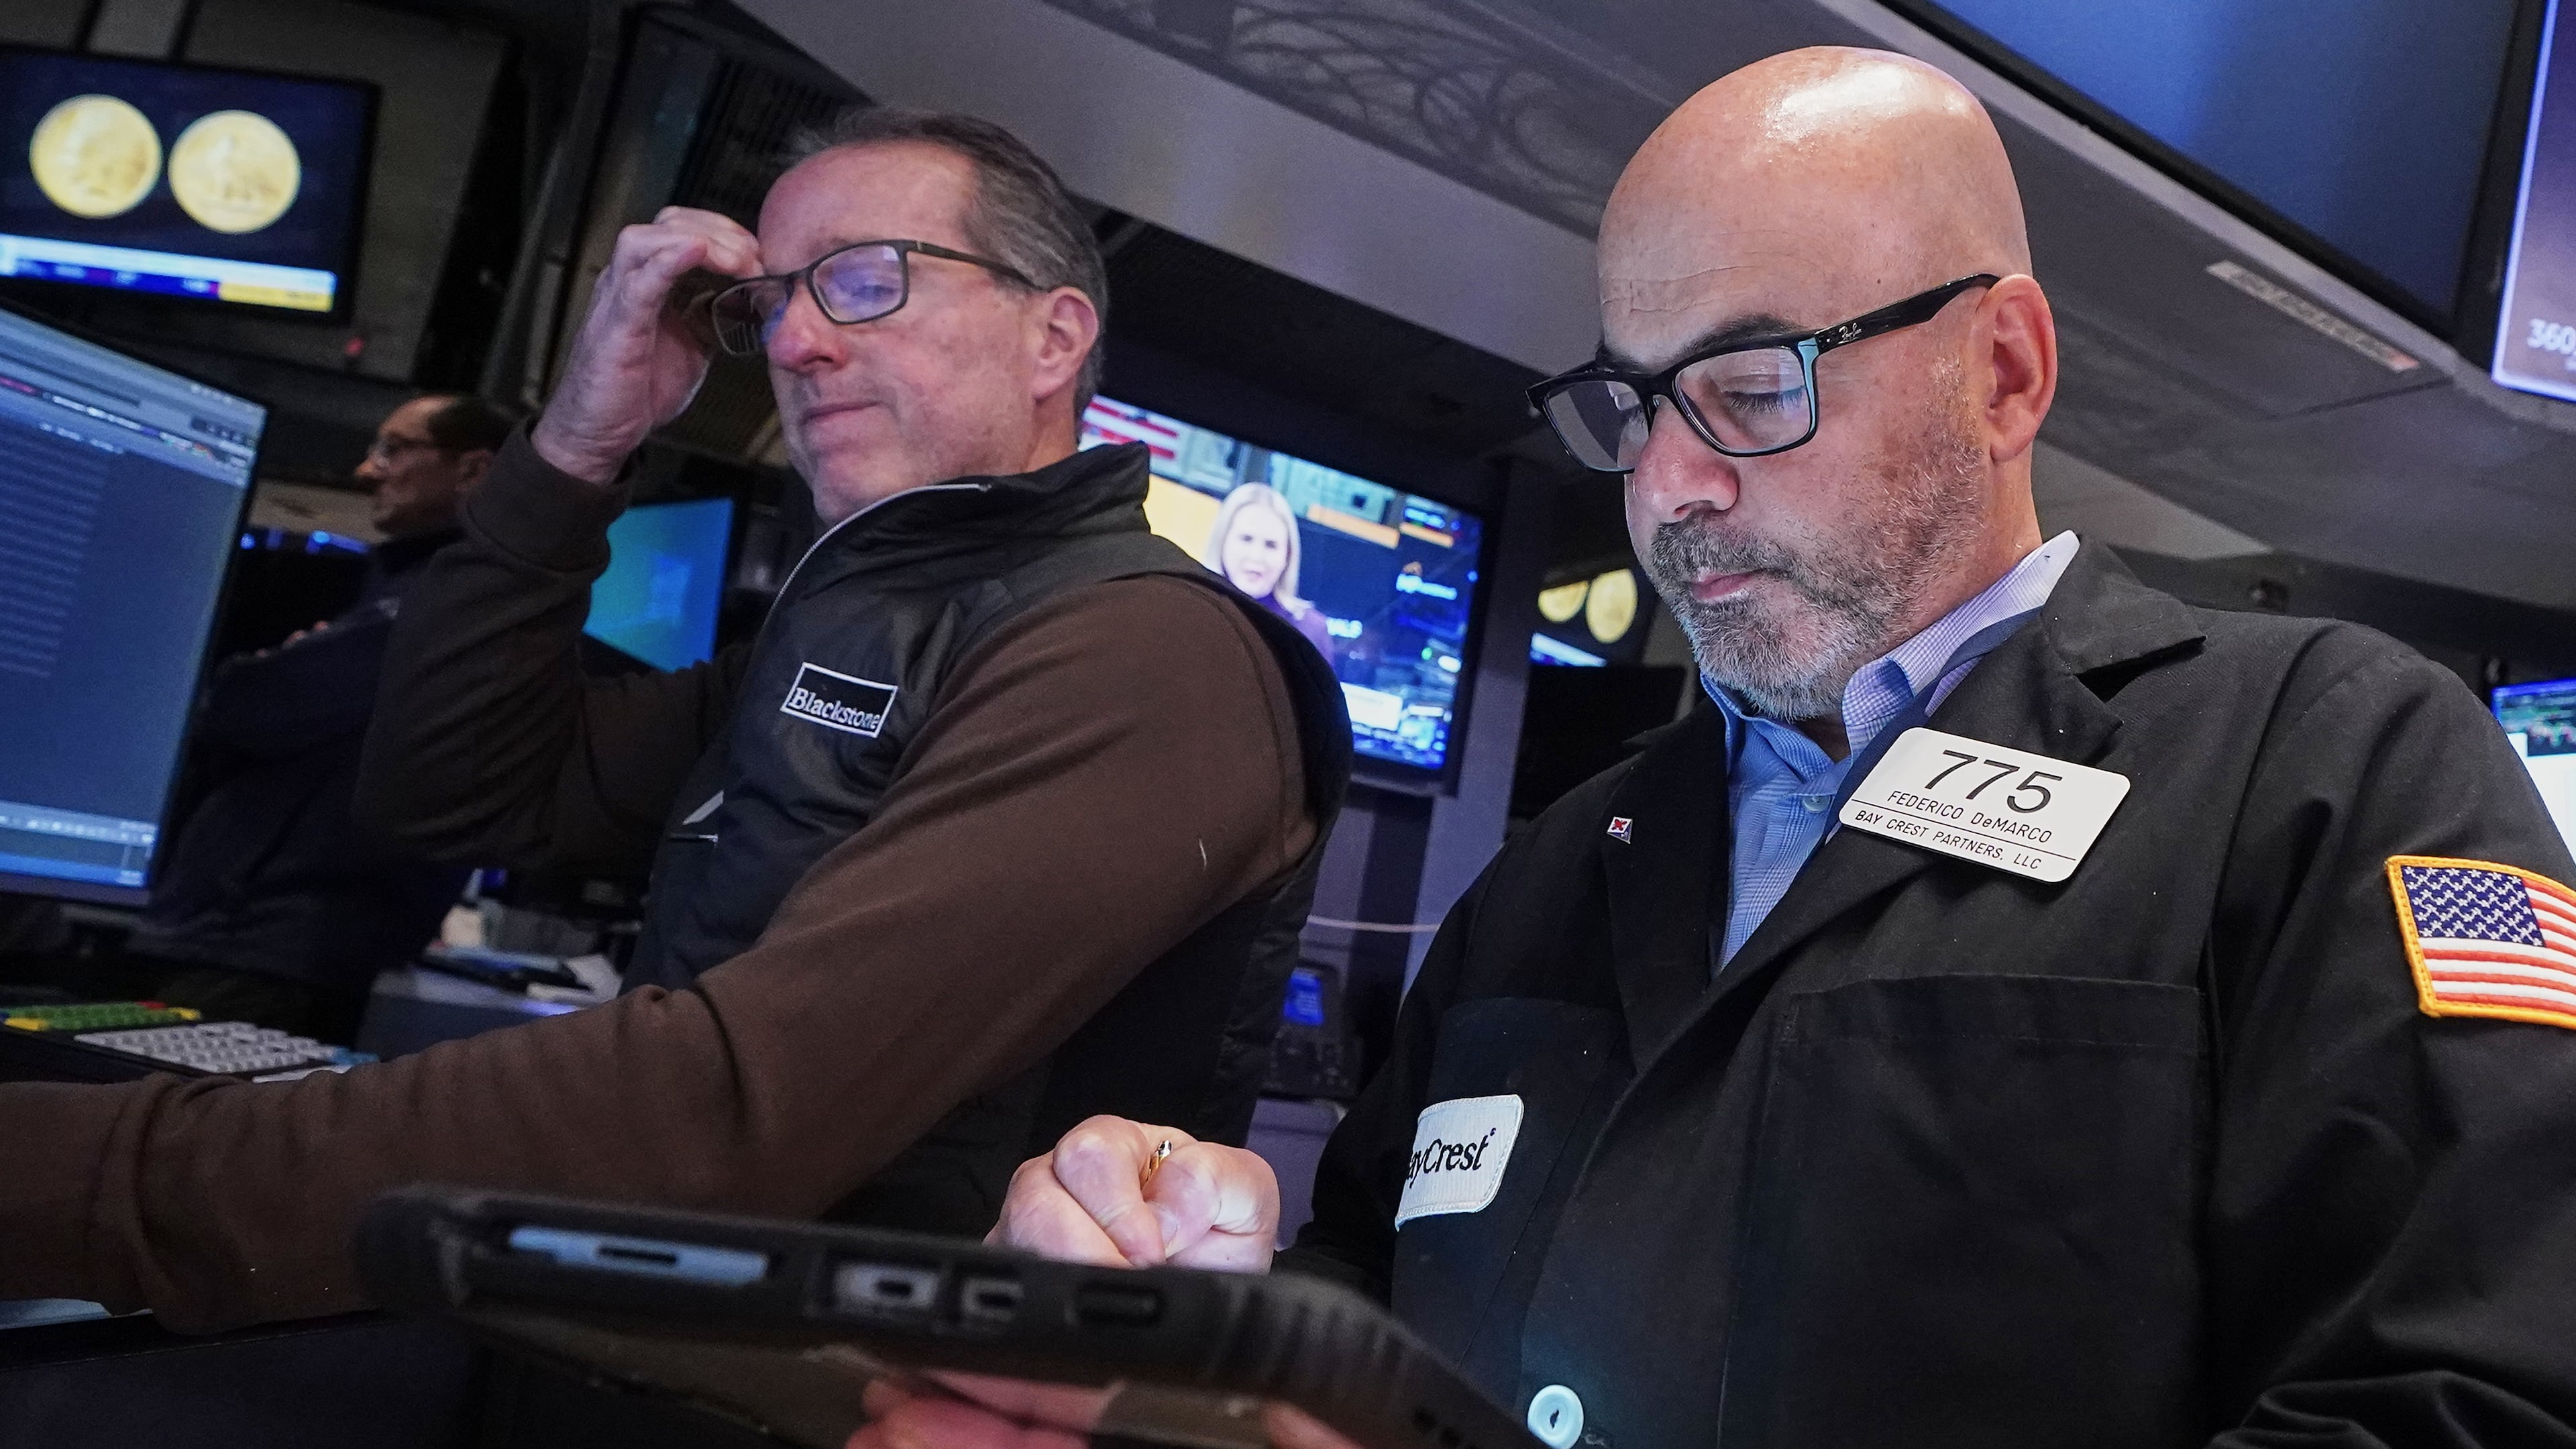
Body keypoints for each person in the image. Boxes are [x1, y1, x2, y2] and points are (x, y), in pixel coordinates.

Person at [859, 49, 2576, 1449]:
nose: (1669, 485)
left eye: (1751, 388)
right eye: (1633, 401)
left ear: (2000, 371)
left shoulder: (2331, 762)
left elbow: (2478, 1397)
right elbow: (1367, 1309)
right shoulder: (1560, 865)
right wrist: (1206, 1315)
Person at [0, 107, 1348, 1330]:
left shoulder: (1145, 652)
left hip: (859, 1399)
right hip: (666, 1345)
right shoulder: (843, 627)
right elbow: (453, 792)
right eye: (769, 303)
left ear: (1054, 337)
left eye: (865, 281)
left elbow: (726, 1109)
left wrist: (89, 1176)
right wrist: (581, 444)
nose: (799, 343)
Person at [119, 394, 508, 1042]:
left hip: (265, 949)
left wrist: (263, 669)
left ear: (473, 471)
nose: (367, 470)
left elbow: (244, 705)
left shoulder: (447, 599)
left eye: (393, 448)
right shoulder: (417, 592)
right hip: (265, 944)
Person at [1207, 482, 1335, 658]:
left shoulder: (1311, 631)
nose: (1257, 556)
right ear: (1222, 542)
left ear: (1288, 555)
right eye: (1246, 539)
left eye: (1271, 545)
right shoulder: (1191, 609)